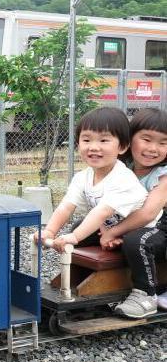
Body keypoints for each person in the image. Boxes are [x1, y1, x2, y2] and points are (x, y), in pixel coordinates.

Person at [38, 107, 161, 259]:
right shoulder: (82, 177)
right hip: (113, 226)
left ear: (122, 147)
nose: (94, 147)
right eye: (86, 140)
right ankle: (79, 274)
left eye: (103, 140)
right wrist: (50, 232)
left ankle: (145, 284)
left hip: (142, 229)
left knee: (133, 242)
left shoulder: (123, 178)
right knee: (79, 227)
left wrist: (75, 237)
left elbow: (102, 212)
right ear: (78, 144)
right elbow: (65, 207)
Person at [98, 108, 167, 318]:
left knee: (137, 241)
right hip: (125, 221)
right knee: (81, 228)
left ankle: (146, 294)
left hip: (159, 227)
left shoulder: (163, 175)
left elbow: (147, 215)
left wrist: (113, 232)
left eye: (163, 143)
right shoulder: (122, 167)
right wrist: (103, 228)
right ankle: (79, 282)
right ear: (129, 140)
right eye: (146, 139)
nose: (153, 148)